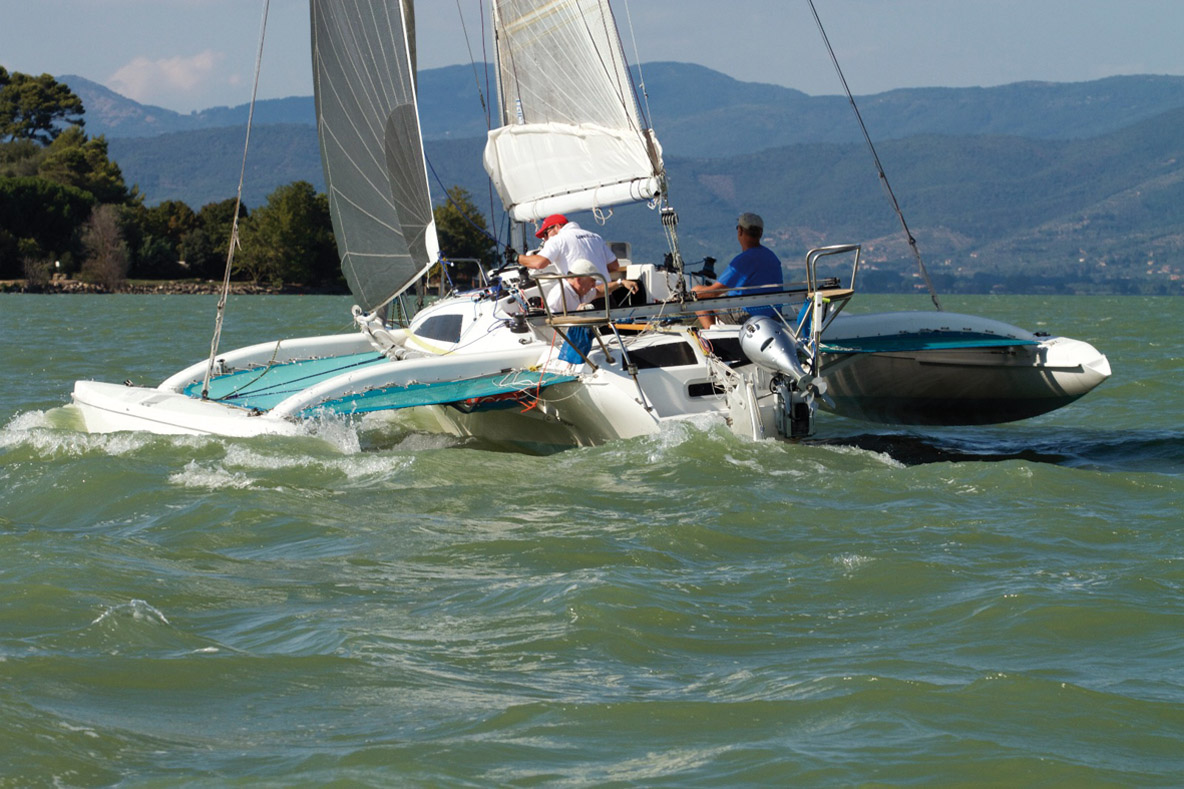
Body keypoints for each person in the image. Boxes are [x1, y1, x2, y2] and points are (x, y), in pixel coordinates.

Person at [691, 212, 784, 329]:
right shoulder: (771, 257)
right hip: (774, 317)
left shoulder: (743, 261)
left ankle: (711, 337)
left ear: (740, 231)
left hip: (749, 318)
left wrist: (694, 291)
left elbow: (713, 292)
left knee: (701, 298)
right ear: (760, 233)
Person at [514, 214, 621, 281]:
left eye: (546, 233)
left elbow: (539, 263)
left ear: (557, 227)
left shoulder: (557, 239)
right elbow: (614, 266)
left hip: (584, 296)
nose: (545, 239)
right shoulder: (595, 236)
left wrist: (516, 257)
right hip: (606, 292)